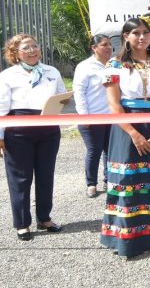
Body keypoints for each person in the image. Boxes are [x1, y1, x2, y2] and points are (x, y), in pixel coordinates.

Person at [101, 17, 150, 258]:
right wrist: (134, 133)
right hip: (127, 127)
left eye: (145, 32)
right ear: (125, 36)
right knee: (128, 181)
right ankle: (128, 241)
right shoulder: (114, 64)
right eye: (135, 32)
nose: (141, 37)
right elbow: (114, 106)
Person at [0, 34, 67, 241]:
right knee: (20, 178)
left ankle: (44, 218)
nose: (32, 51)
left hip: (48, 129)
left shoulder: (52, 71)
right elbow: (1, 107)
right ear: (16, 53)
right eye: (26, 48)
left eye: (35, 46)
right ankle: (22, 223)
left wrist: (61, 103)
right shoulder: (8, 75)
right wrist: (0, 135)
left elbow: (63, 96)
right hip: (18, 129)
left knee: (46, 175)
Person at [73, 34, 113, 198]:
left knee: (110, 151)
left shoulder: (114, 64)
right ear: (94, 48)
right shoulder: (85, 66)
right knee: (94, 150)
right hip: (91, 117)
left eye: (110, 44)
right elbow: (79, 92)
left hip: (112, 117)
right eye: (104, 45)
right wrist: (84, 116)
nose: (109, 48)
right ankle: (91, 183)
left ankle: (109, 179)